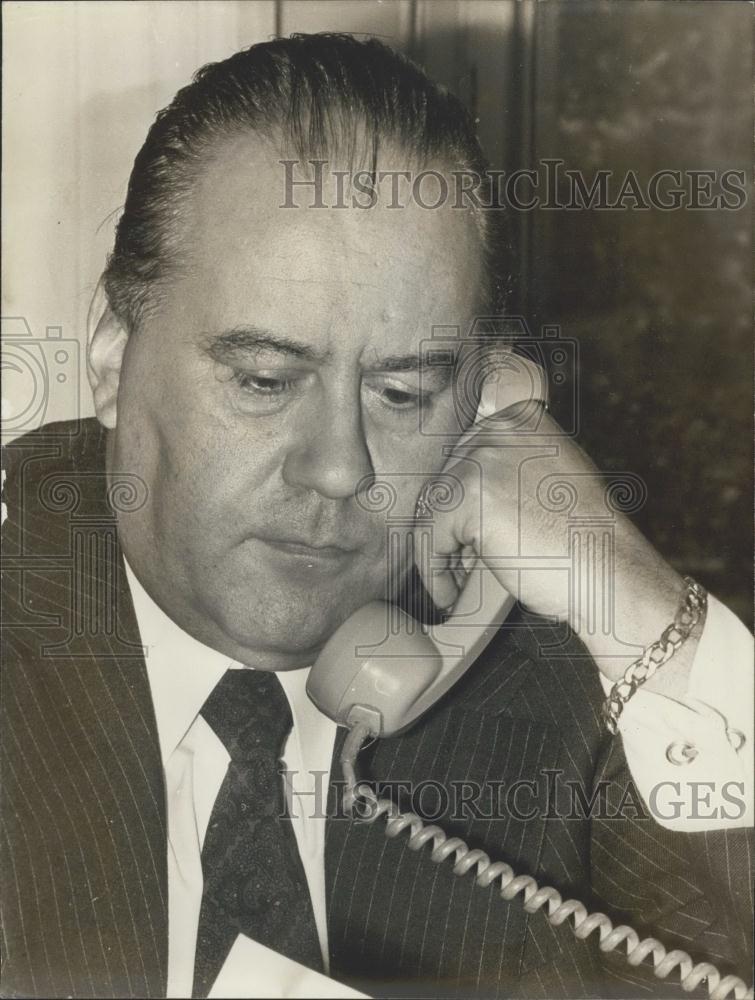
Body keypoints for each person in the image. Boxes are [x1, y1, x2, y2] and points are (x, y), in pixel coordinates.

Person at [1, 32, 752, 1000]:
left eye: (402, 394)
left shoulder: (583, 684)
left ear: (486, 396)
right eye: (265, 380)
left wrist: (640, 609)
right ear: (111, 354)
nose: (338, 468)